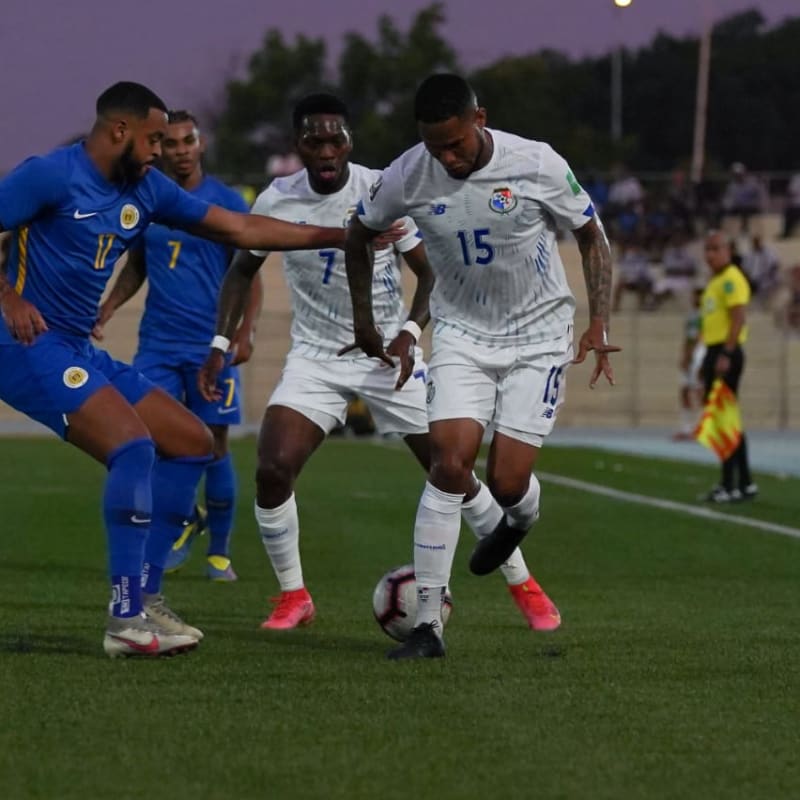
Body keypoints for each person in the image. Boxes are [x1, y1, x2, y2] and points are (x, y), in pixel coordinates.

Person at [0, 81, 348, 658]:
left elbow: (238, 230)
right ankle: (124, 619)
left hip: (77, 350)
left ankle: (149, 597)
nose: (161, 150)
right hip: (26, 346)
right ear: (120, 132)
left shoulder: (146, 188)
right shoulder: (51, 175)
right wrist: (8, 300)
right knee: (133, 447)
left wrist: (340, 236)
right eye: (154, 138)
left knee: (190, 441)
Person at [198, 93, 561, 633]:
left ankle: (522, 582)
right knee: (272, 469)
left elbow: (429, 273)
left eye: (335, 139)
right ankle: (293, 595)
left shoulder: (380, 187)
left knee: (452, 471)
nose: (326, 150)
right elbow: (240, 271)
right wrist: (221, 344)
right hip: (318, 357)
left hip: (389, 356)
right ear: (297, 145)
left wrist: (411, 332)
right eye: (314, 140)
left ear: (350, 142)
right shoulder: (277, 199)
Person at [342, 73, 619, 659]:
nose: (446, 156)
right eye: (434, 146)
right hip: (463, 334)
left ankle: (518, 520)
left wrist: (600, 321)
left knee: (508, 483)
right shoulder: (406, 174)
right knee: (448, 462)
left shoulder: (536, 163)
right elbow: (357, 232)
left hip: (538, 335)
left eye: (455, 144)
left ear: (479, 119)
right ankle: (427, 626)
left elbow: (590, 233)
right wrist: (366, 323)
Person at [95, 110, 261, 583]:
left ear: (200, 144)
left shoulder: (225, 202)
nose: (180, 150)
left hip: (211, 346)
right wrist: (107, 309)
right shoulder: (149, 199)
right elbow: (137, 267)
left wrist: (242, 334)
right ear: (160, 149)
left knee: (216, 446)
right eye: (170, 143)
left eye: (188, 141)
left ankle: (220, 554)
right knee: (151, 437)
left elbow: (248, 276)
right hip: (158, 346)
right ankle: (186, 515)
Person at [698, 231, 757, 503]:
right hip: (715, 350)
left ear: (728, 251)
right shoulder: (716, 281)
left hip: (725, 351)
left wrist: (727, 353)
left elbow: (738, 318)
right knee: (729, 418)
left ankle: (728, 484)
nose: (711, 254)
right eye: (708, 249)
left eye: (716, 249)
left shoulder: (732, 279)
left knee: (724, 420)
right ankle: (744, 482)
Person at [672, 287, 706, 441]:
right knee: (685, 390)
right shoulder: (691, 316)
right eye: (694, 296)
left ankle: (701, 427)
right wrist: (683, 354)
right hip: (690, 354)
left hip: (700, 353)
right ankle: (686, 428)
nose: (695, 300)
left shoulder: (706, 315)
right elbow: (688, 338)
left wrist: (692, 354)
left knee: (699, 390)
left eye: (698, 296)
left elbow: (702, 336)